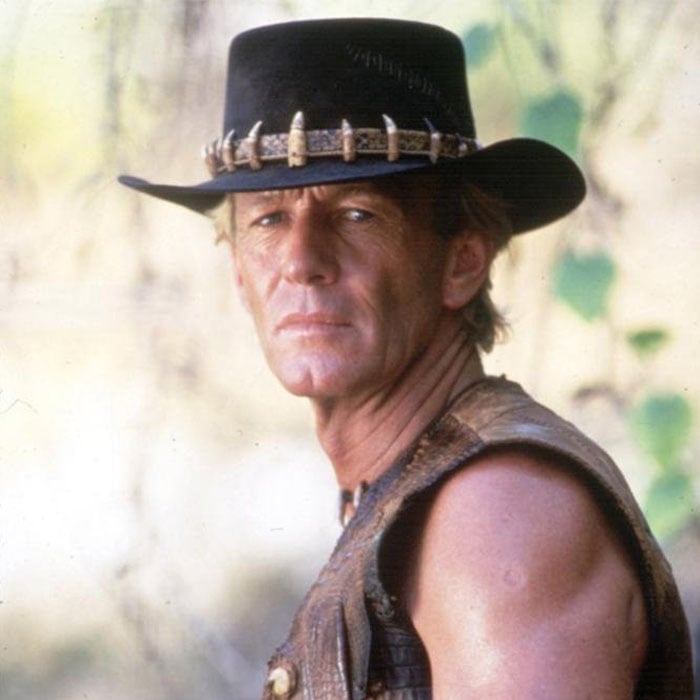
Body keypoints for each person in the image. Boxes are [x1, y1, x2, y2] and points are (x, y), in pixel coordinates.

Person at [119, 18, 693, 699]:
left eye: (357, 214)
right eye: (269, 220)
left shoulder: (498, 513)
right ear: (241, 275)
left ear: (463, 261)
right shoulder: (414, 486)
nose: (301, 262)